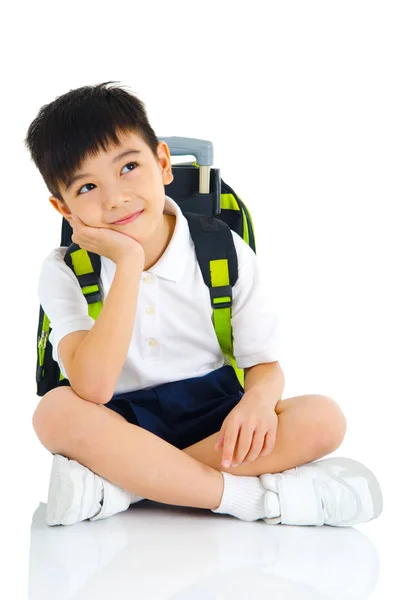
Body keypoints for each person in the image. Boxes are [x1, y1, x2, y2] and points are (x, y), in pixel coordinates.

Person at [26, 80, 383, 527]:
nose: (114, 198)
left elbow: (264, 365)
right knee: (54, 413)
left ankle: (122, 489)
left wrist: (256, 401)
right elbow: (94, 389)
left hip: (217, 419)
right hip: (121, 427)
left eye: (129, 167)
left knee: (323, 419)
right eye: (86, 189)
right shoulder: (64, 270)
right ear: (64, 210)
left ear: (162, 163)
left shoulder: (221, 248)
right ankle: (256, 501)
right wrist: (129, 263)